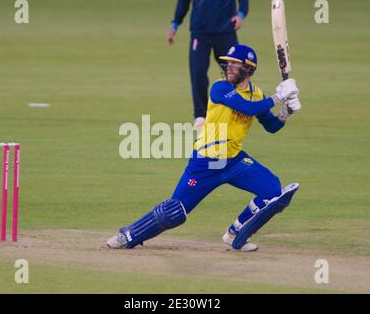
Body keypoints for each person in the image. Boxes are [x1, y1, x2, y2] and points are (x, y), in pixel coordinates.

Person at [108, 44, 302, 252]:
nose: (229, 67)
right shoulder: (220, 88)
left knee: (272, 190)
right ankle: (128, 235)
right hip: (206, 161)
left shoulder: (256, 94)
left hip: (234, 161)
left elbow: (271, 126)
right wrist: (278, 97)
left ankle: (235, 233)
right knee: (174, 212)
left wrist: (286, 112)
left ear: (248, 68)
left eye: (235, 64)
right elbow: (247, 108)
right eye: (228, 63)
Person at [167, 0, 249, 127]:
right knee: (198, 72)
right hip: (200, 31)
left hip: (226, 29)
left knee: (236, 73)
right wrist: (175, 24)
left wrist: (240, 14)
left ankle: (242, 109)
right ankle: (200, 115)